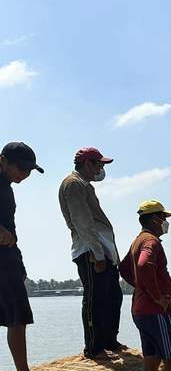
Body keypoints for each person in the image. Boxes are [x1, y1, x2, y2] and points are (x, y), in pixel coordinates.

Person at [0, 142, 60, 371]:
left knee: (13, 314)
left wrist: (19, 260)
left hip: (8, 257)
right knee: (17, 315)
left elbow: (10, 228)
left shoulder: (6, 187)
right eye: (21, 168)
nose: (24, 174)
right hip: (2, 259)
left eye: (29, 170)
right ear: (3, 160)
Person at [58, 147, 125, 359]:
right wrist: (97, 253)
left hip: (101, 250)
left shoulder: (84, 185)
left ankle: (109, 341)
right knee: (95, 299)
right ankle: (94, 348)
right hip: (90, 251)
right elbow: (82, 222)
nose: (102, 169)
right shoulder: (74, 184)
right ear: (88, 163)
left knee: (113, 297)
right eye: (100, 164)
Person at [118, 200, 171, 371]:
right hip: (155, 311)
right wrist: (156, 296)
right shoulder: (150, 241)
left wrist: (140, 286)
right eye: (164, 218)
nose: (166, 222)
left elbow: (124, 268)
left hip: (141, 311)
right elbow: (144, 264)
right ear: (155, 219)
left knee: (151, 358)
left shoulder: (138, 240)